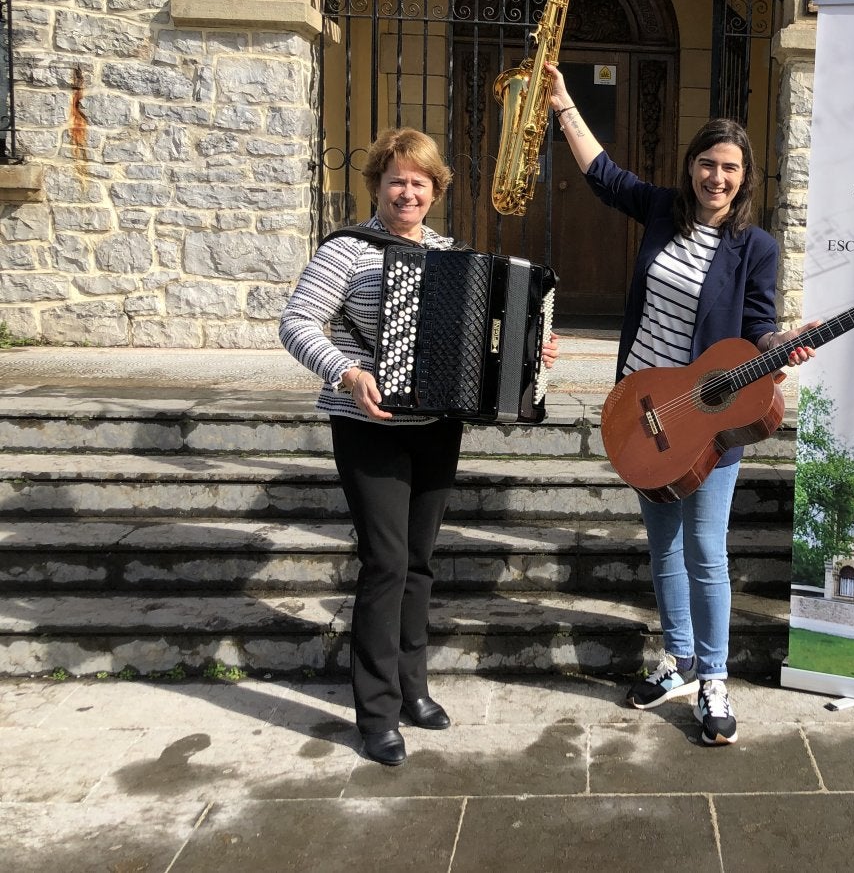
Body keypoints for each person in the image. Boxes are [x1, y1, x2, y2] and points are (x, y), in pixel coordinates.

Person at [544, 62, 813, 745]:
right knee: (663, 550)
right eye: (706, 164)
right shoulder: (663, 212)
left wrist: (781, 341)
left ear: (744, 177)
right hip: (644, 410)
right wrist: (565, 105)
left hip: (710, 416)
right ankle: (680, 659)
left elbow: (756, 325)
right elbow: (605, 176)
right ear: (691, 166)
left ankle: (715, 677)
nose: (715, 178)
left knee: (705, 549)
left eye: (729, 168)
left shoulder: (755, 247)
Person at [278, 127, 557, 767]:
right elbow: (295, 324)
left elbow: (482, 339)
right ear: (377, 184)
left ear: (436, 191)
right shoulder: (347, 251)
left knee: (421, 563)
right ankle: (375, 714)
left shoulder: (451, 253)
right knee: (385, 565)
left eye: (420, 182)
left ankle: (413, 689)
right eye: (396, 180)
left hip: (436, 427)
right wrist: (346, 372)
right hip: (368, 426)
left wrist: (525, 355)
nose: (408, 192)